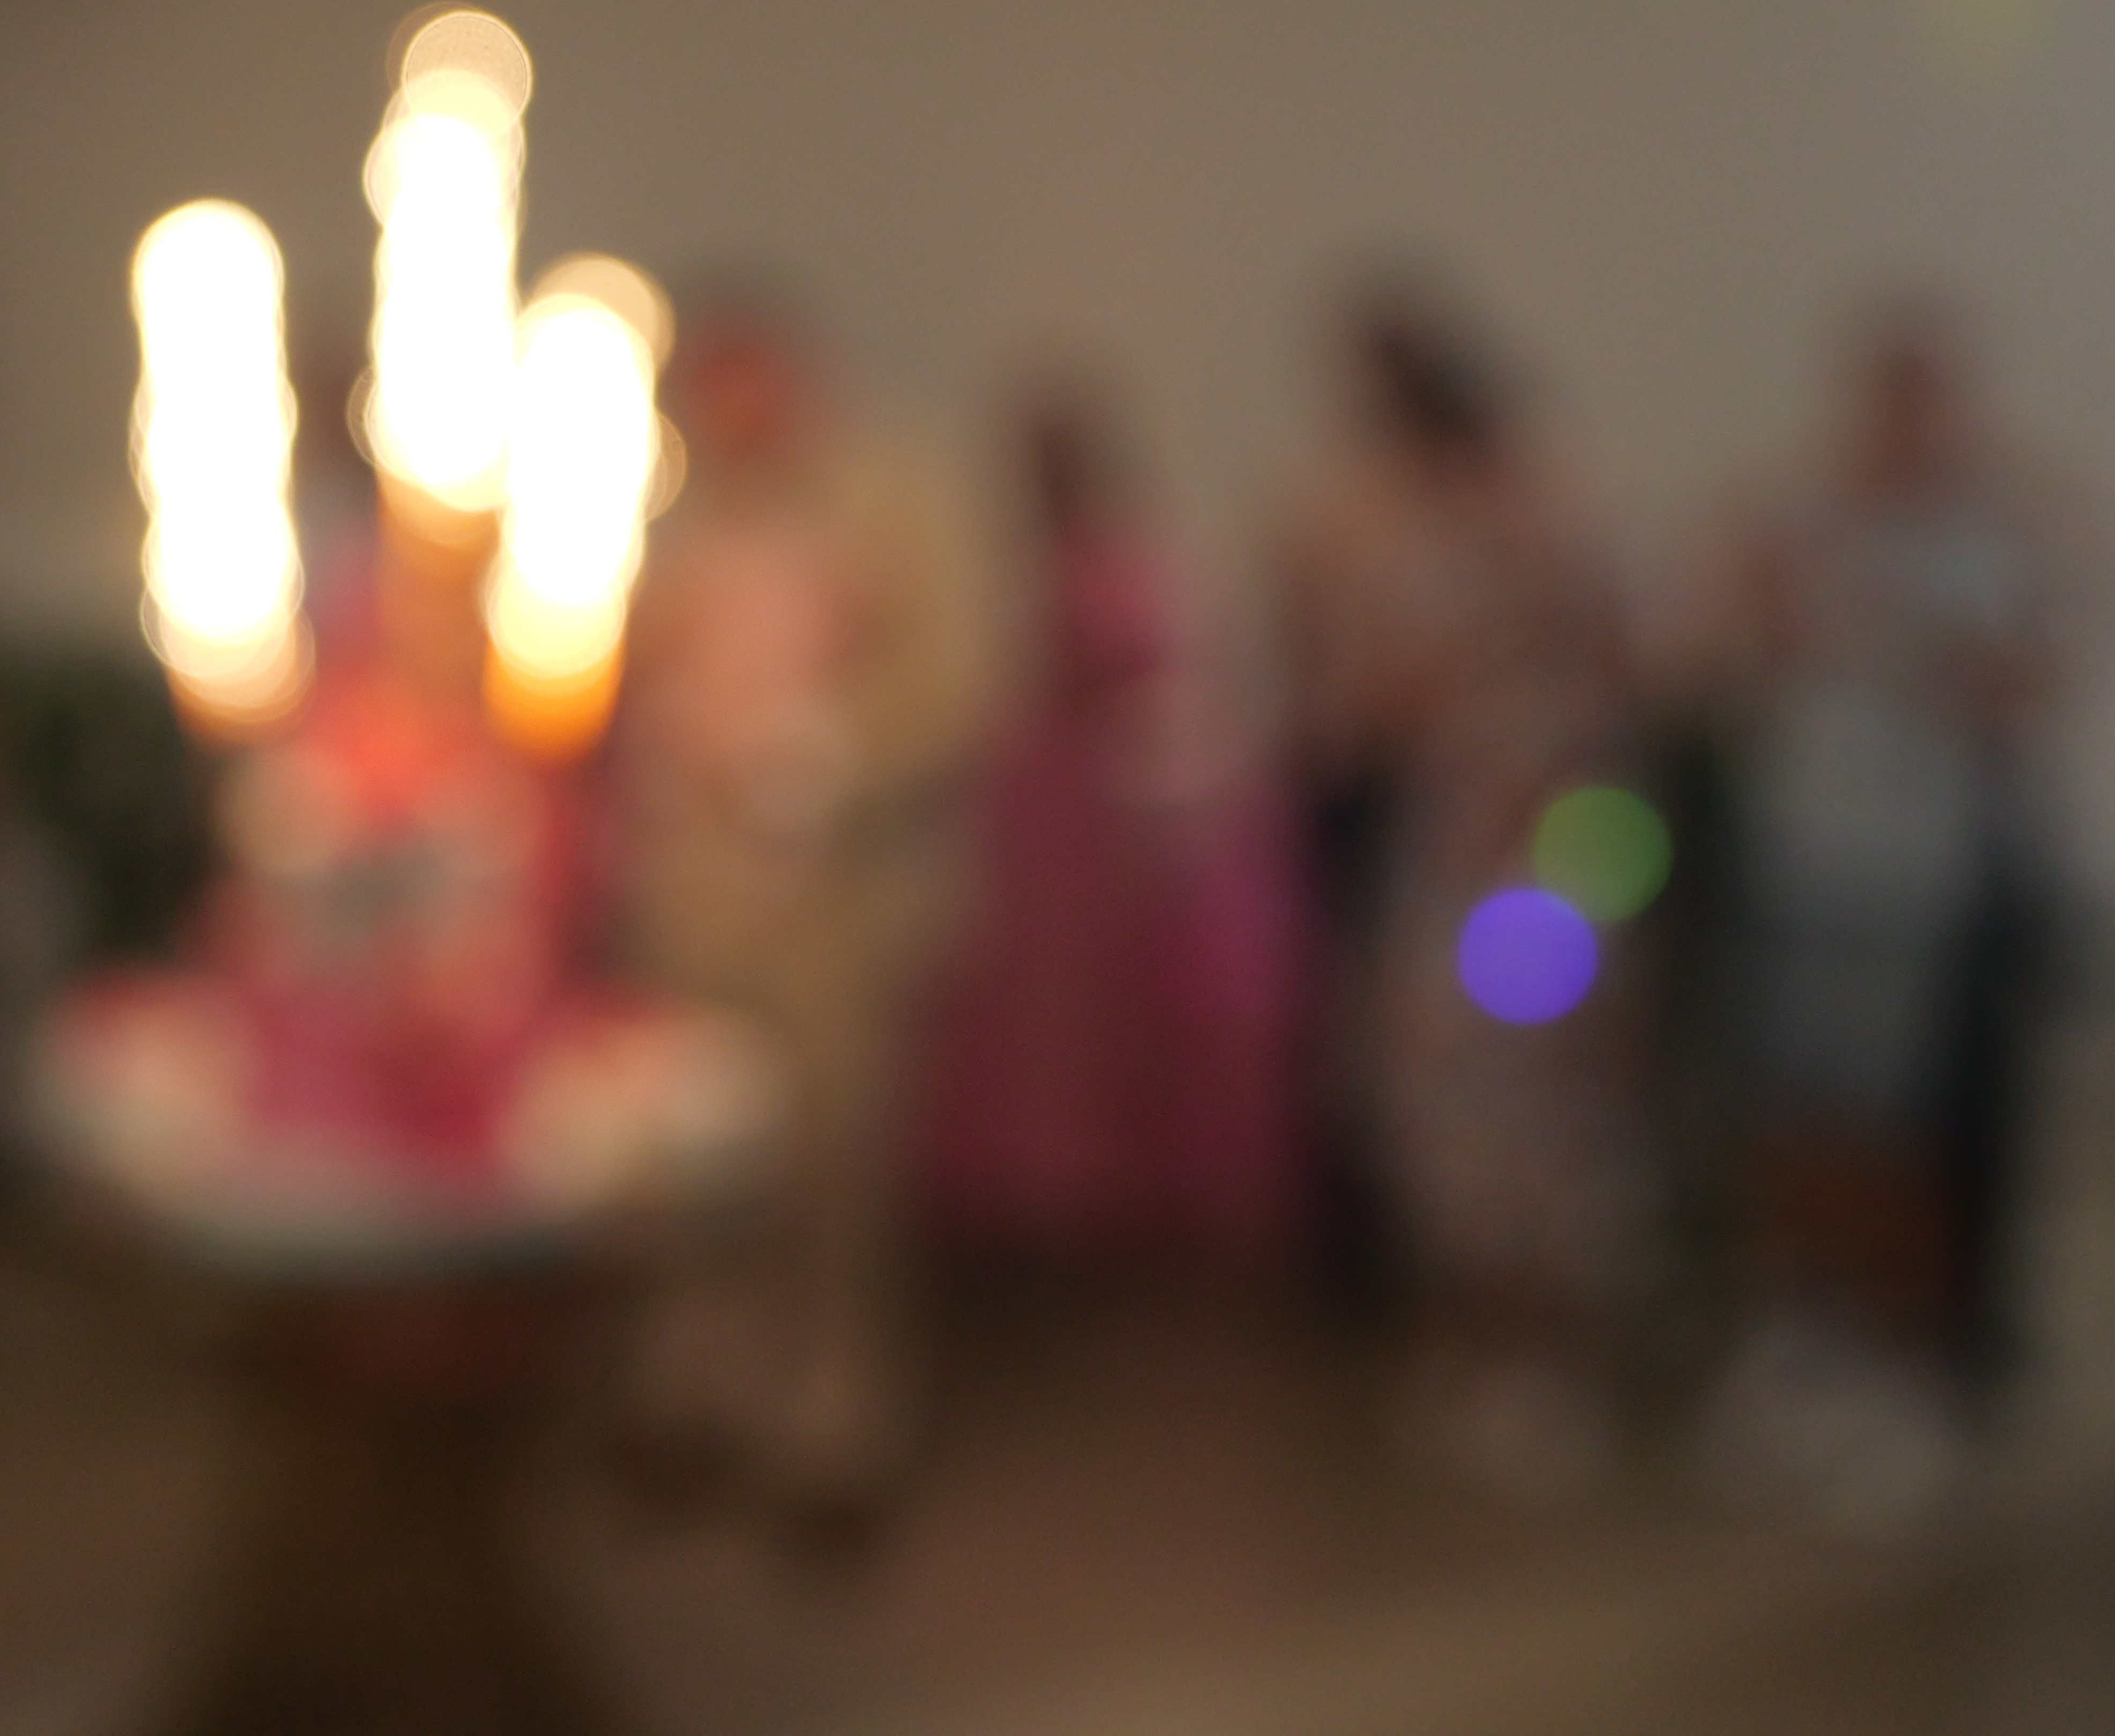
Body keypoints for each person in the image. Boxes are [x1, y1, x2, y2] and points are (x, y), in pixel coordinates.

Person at [609, 290, 995, 1537]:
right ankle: (700, 1385)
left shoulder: (893, 500)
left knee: (832, 1161)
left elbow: (955, 680)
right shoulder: (666, 514)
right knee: (691, 1151)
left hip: (839, 897)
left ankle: (833, 1412)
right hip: (694, 891)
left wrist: (816, 753)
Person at [1691, 301, 2082, 1524]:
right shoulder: (1796, 516)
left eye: (1924, 400)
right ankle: (1806, 1337)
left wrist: (1954, 646)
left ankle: (1909, 1374)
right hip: (1804, 854)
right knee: (1797, 1108)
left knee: (1896, 1126)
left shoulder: (1995, 530)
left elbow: (2035, 676)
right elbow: (1727, 645)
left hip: (1914, 876)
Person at [1273, 278, 1648, 1495]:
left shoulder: (1550, 515)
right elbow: (1358, 699)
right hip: (1441, 841)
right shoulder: (1374, 528)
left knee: (1546, 1098)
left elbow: (1618, 677)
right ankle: (1476, 1339)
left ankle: (1556, 1357)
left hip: (1551, 845)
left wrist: (1542, 798)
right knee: (1436, 1095)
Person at [919, 378, 1303, 1267]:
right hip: (1046, 838)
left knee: (1119, 1022)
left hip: (1103, 829)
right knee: (1046, 1028)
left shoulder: (1130, 564)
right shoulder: (1036, 566)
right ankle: (1052, 1203)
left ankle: (1121, 1211)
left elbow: (1161, 689)